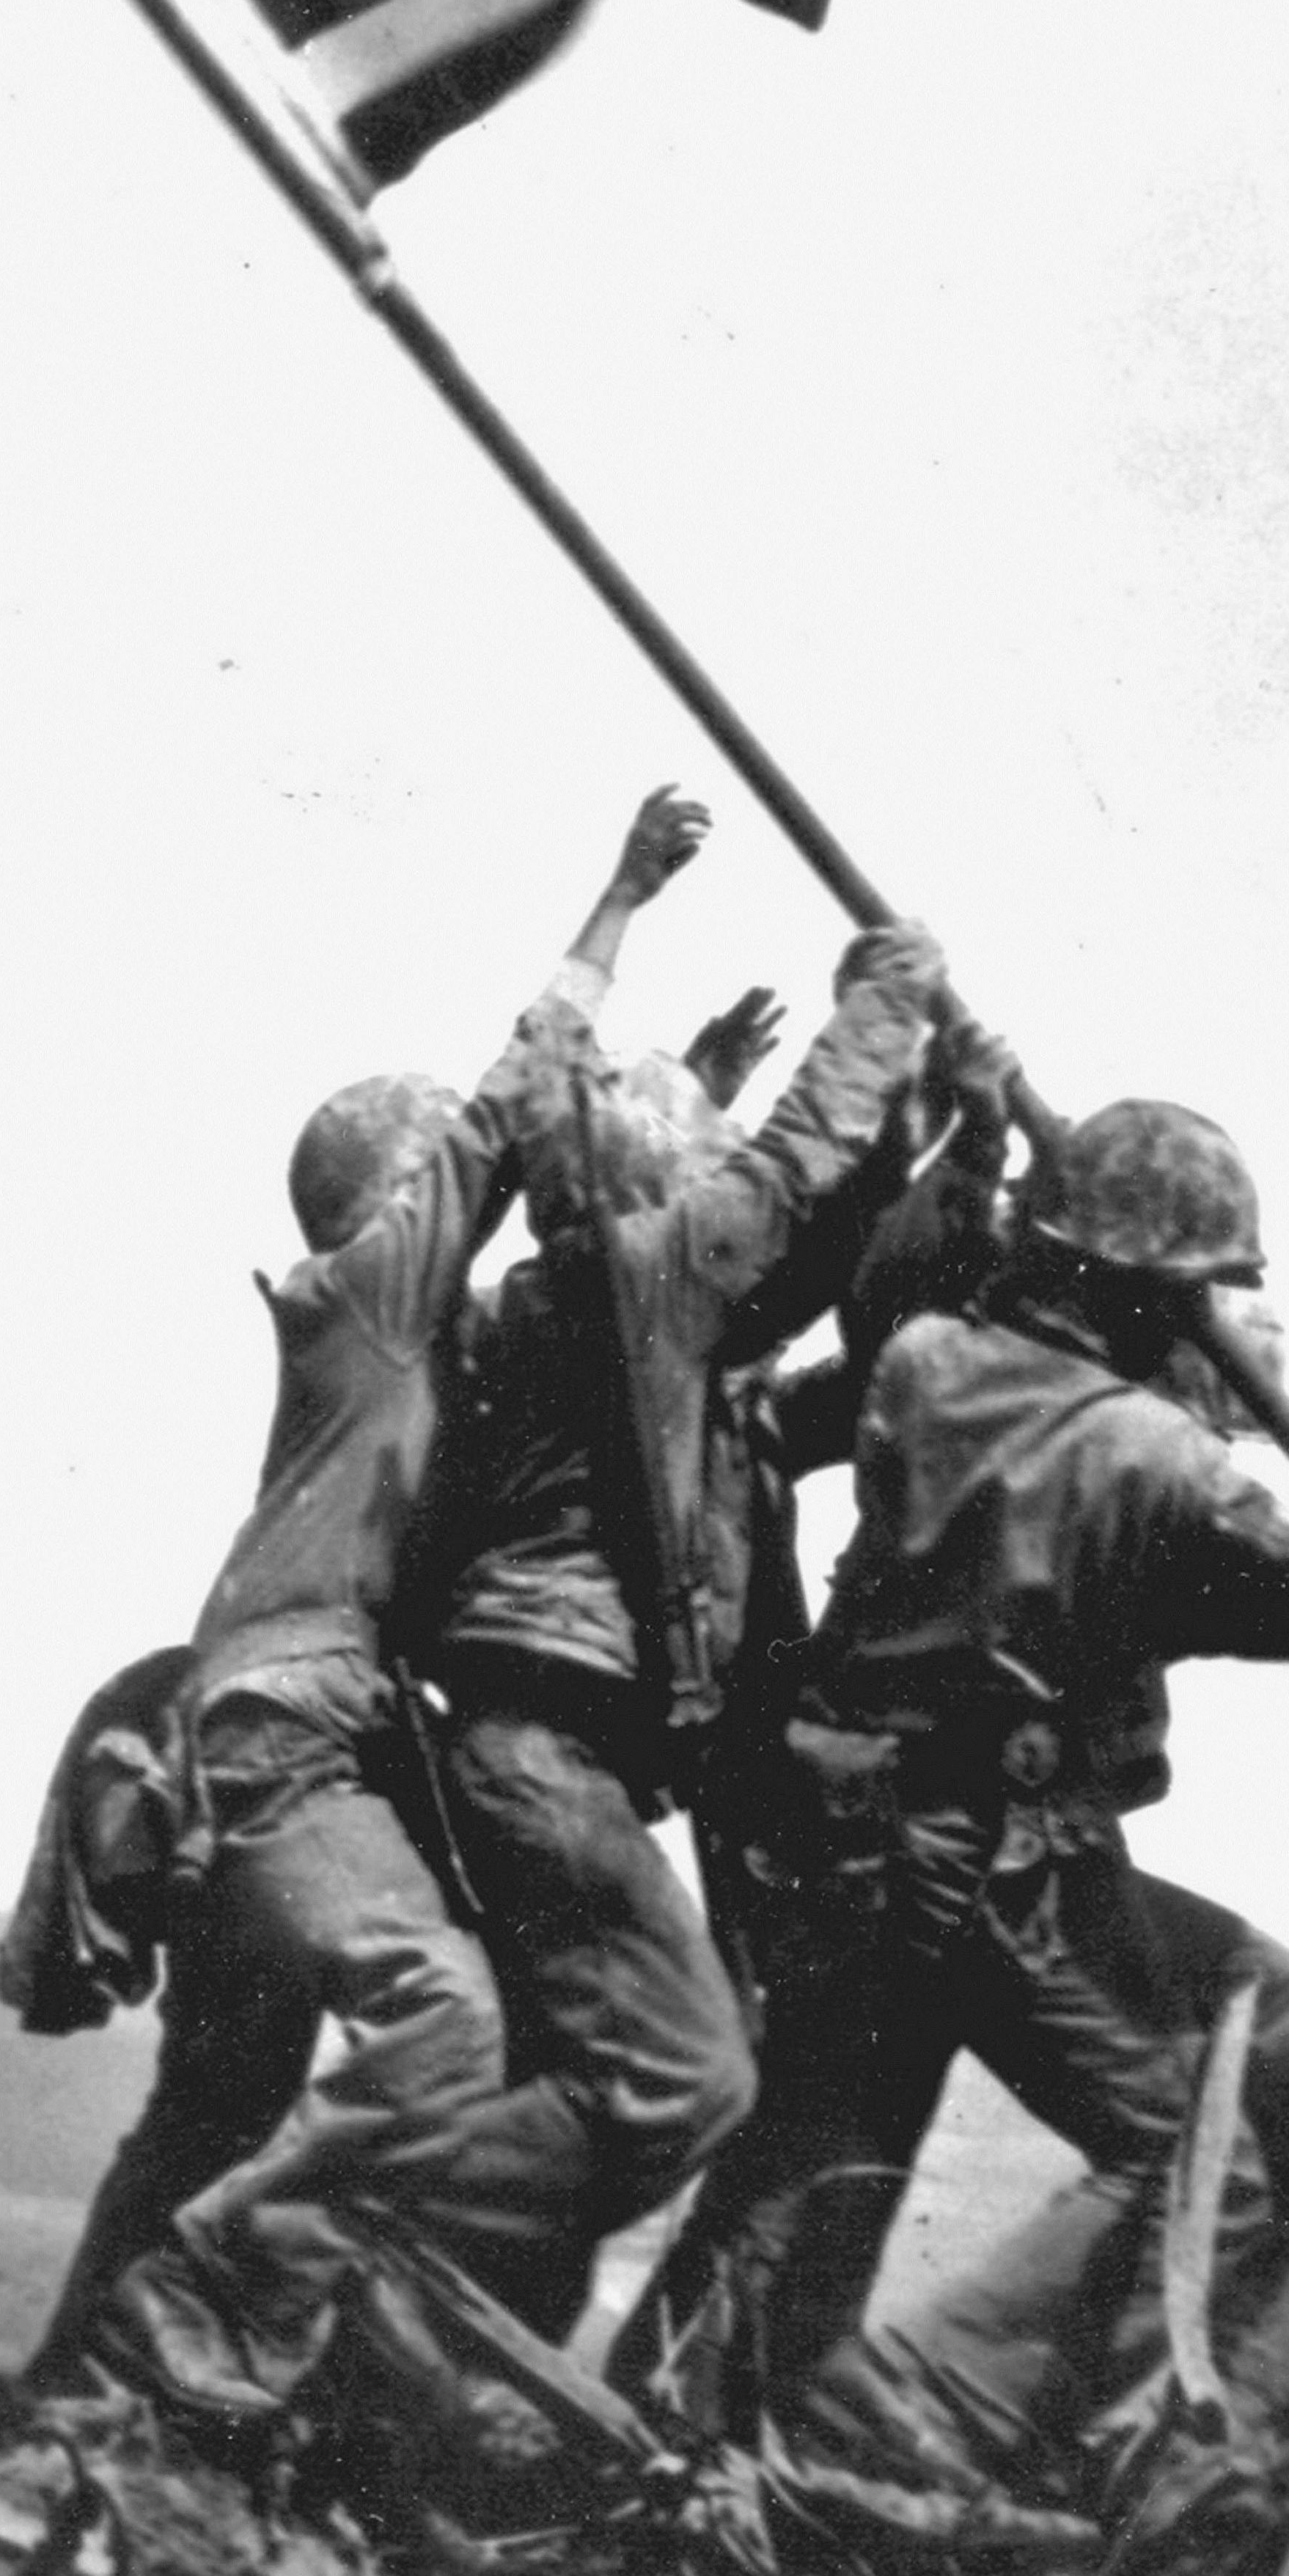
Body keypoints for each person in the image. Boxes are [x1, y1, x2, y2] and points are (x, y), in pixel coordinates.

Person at [636, 1085, 1289, 2509]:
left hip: (850, 1838)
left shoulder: (927, 1363)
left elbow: (917, 1377)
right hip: (994, 1869)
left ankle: (688, 2414)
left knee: (838, 2144)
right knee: (1217, 2165)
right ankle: (925, 2420)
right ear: (1155, 1292)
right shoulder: (1153, 1459)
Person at [29, 790, 738, 2410]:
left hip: (268, 1725)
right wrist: (620, 899)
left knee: (220, 2093)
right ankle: (210, 2306)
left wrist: (688, 1097)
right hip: (286, 1733)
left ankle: (75, 2386)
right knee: (444, 2024)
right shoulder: (370, 1299)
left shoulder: (389, 1341)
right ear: (401, 1200)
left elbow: (571, 1223)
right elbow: (515, 1103)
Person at [397, 854, 960, 2339]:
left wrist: (925, 1157)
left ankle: (437, 2379)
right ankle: (347, 2231)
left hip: (539, 1750)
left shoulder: (614, 1330)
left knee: (582, 2087)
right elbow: (785, 1182)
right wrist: (885, 1001)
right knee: (681, 2078)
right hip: (546, 1754)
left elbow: (815, 1294)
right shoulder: (642, 1282)